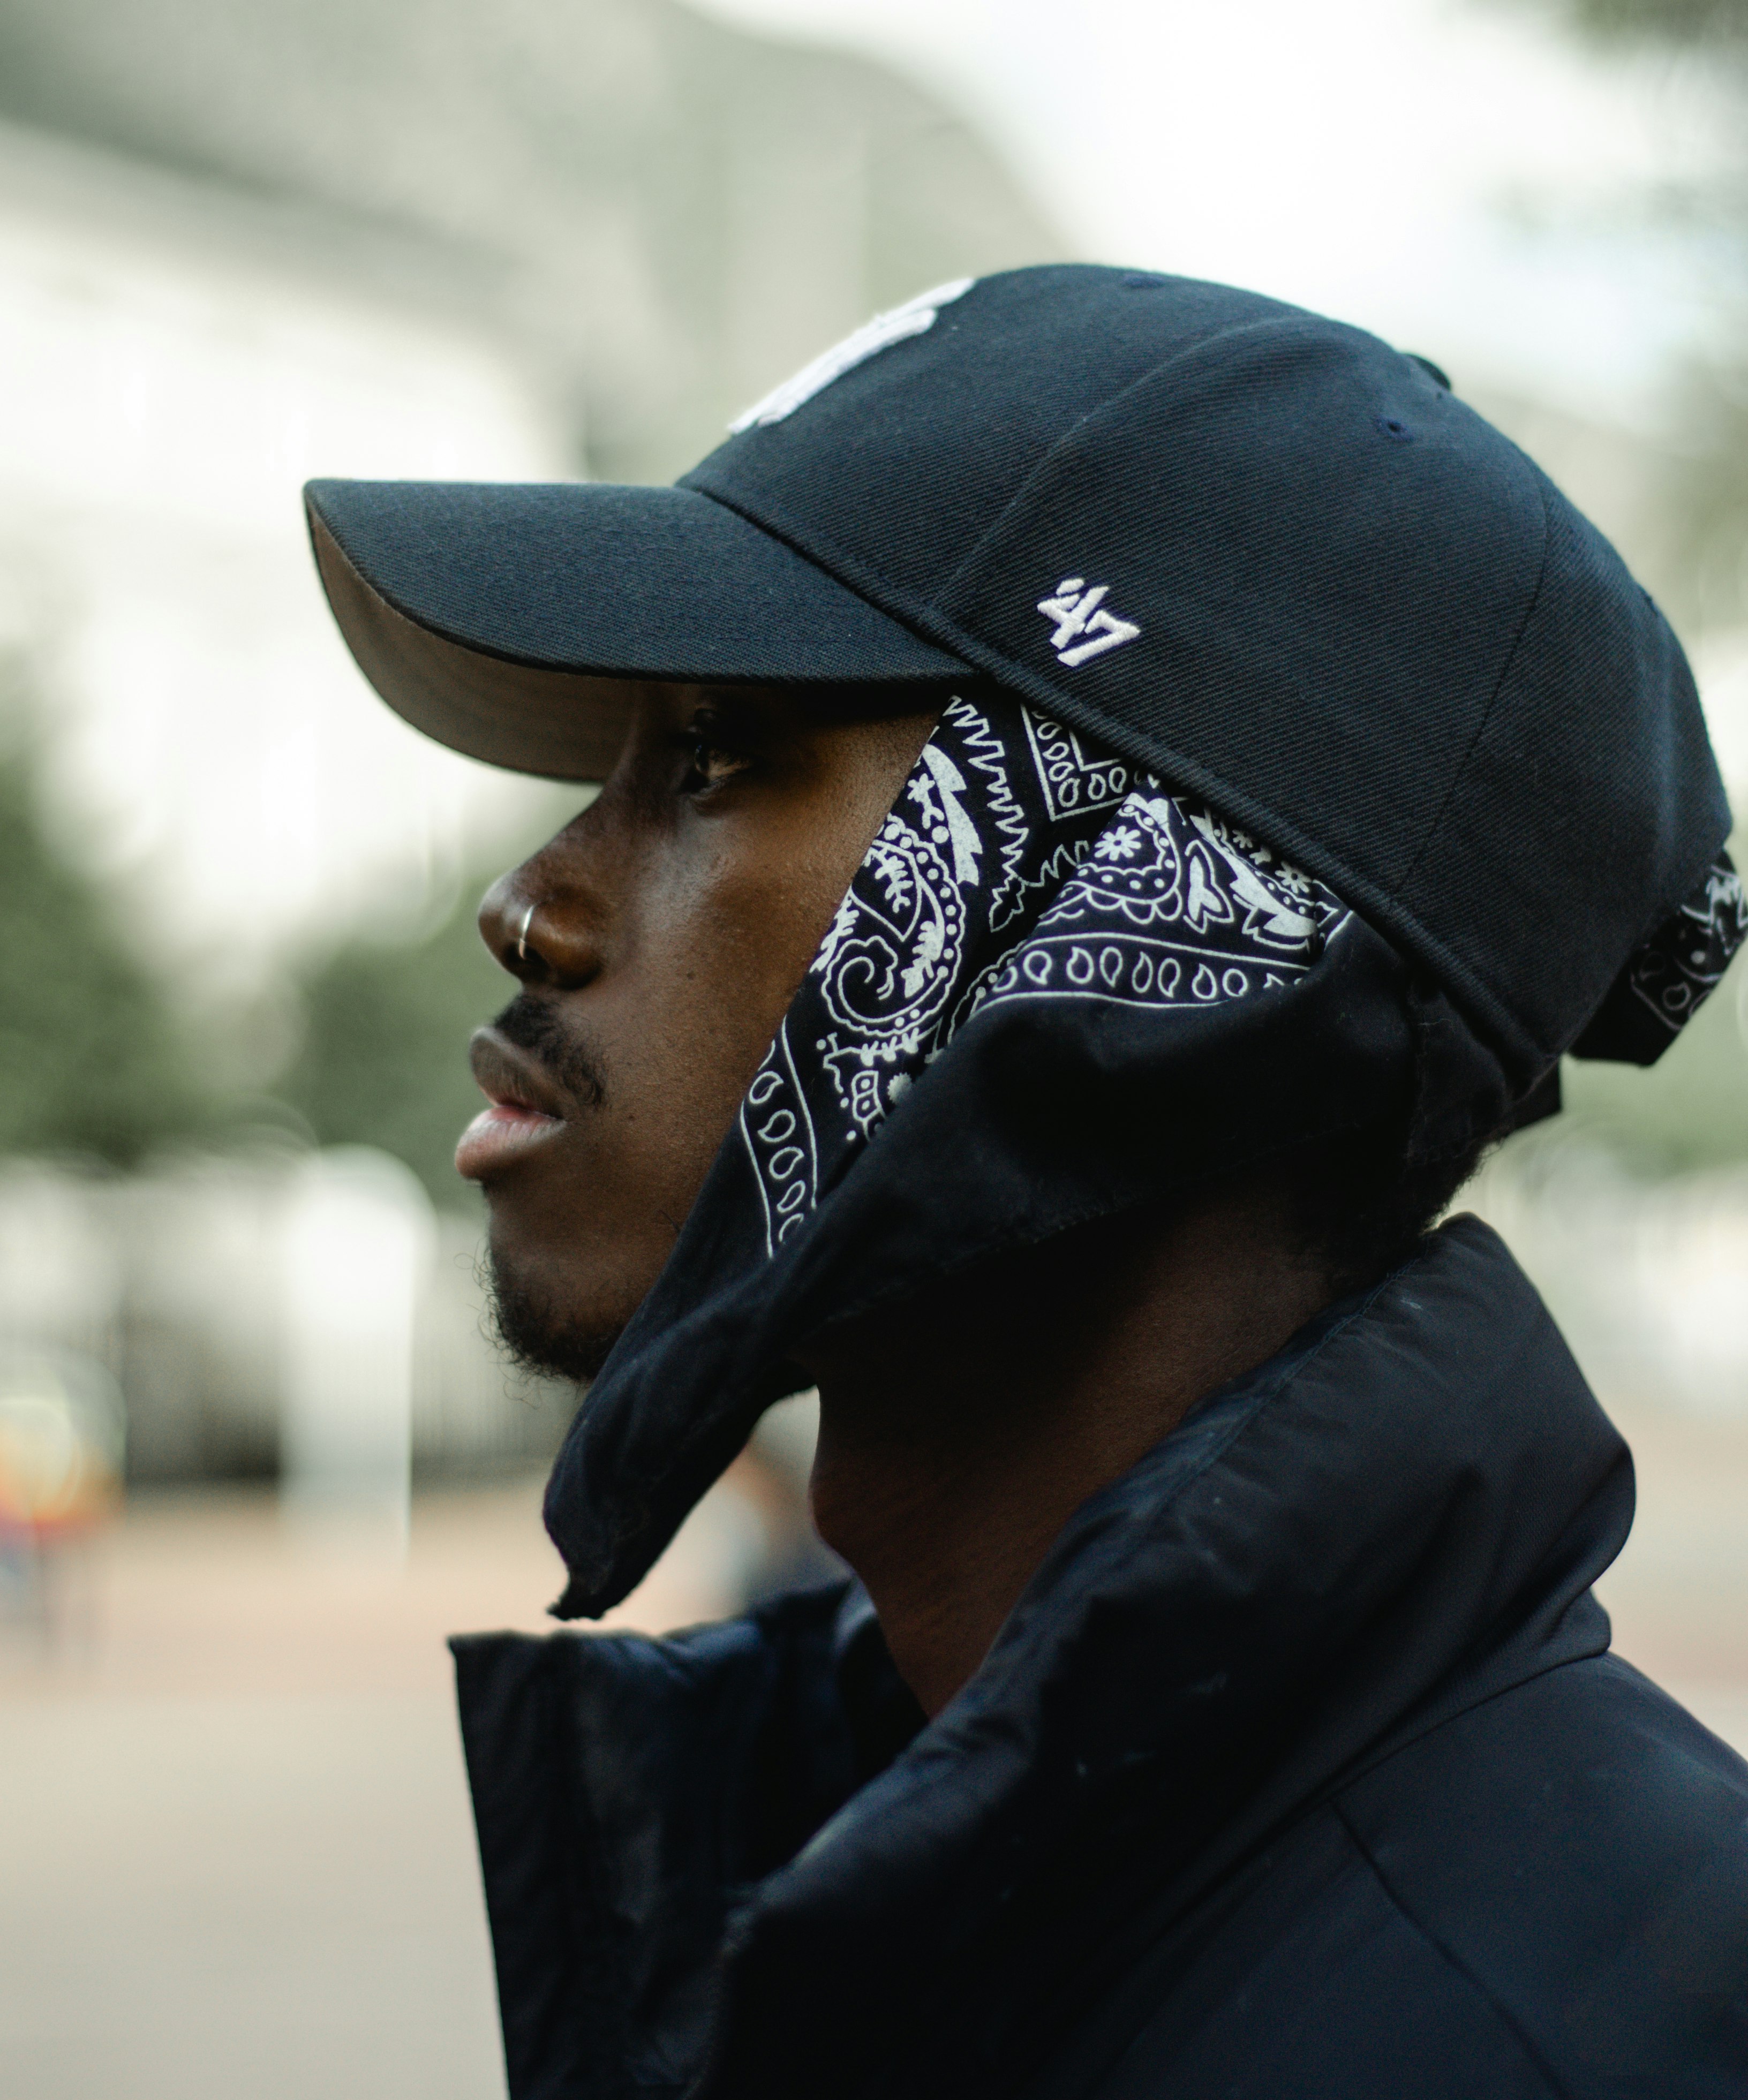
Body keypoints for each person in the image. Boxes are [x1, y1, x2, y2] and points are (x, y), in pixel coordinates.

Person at [305, 266, 1748, 2098]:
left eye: (715, 756)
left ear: (1158, 926)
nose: (528, 902)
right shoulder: (908, 1834)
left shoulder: (1572, 2037)